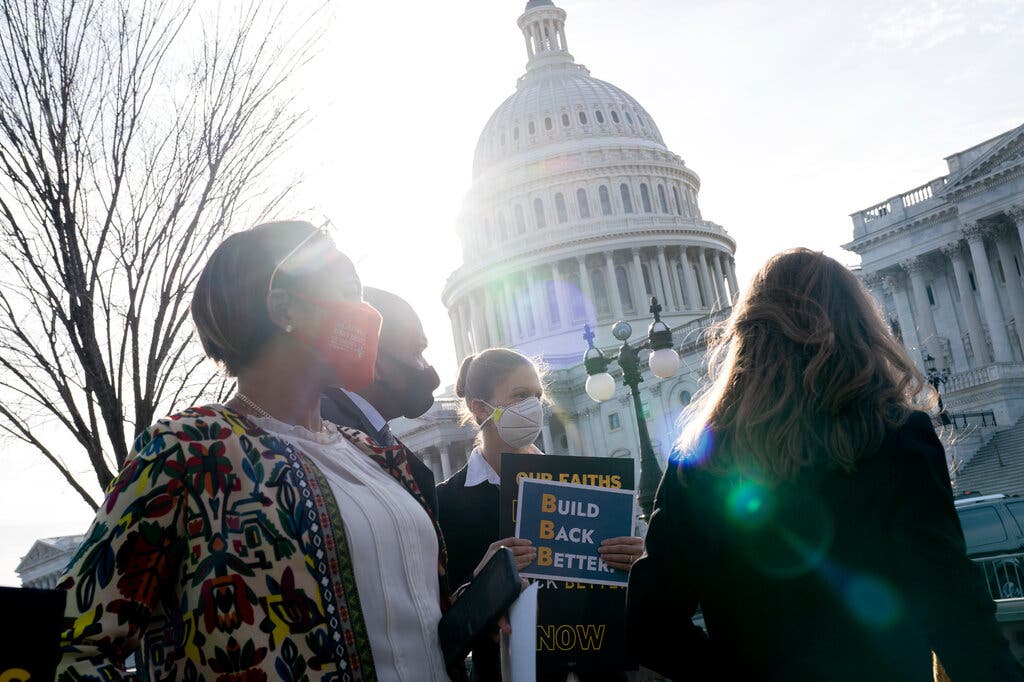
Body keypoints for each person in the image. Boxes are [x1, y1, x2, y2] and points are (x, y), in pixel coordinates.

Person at [56, 221, 461, 681]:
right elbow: (74, 644)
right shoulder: (188, 450)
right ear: (283, 308)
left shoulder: (375, 455)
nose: (369, 314)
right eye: (349, 292)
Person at [626, 248, 1024, 682]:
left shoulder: (698, 458)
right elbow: (952, 606)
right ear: (858, 327)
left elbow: (650, 625)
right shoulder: (897, 436)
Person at [437, 347, 643, 682]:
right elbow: (445, 620)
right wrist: (486, 584)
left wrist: (635, 562)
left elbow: (616, 595)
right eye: (520, 396)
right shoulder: (446, 502)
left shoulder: (582, 485)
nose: (534, 406)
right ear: (478, 408)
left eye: (537, 395)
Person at [320, 286, 442, 518]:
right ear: (375, 359)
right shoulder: (324, 434)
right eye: (417, 351)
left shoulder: (375, 436)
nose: (427, 368)